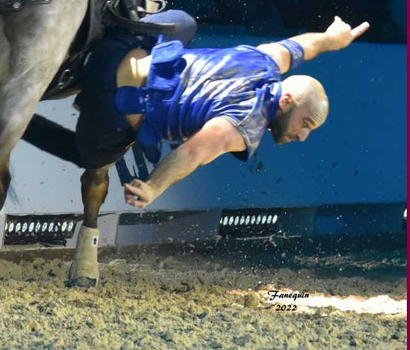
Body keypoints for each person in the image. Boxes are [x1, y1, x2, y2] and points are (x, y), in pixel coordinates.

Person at [71, 11, 369, 209]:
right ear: (286, 101)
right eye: (306, 124)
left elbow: (304, 46)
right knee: (96, 155)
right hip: (108, 107)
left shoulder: (267, 60)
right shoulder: (245, 127)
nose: (302, 135)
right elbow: (192, 152)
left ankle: (109, 17)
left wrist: (331, 40)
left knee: (184, 23)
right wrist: (153, 187)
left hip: (119, 49)